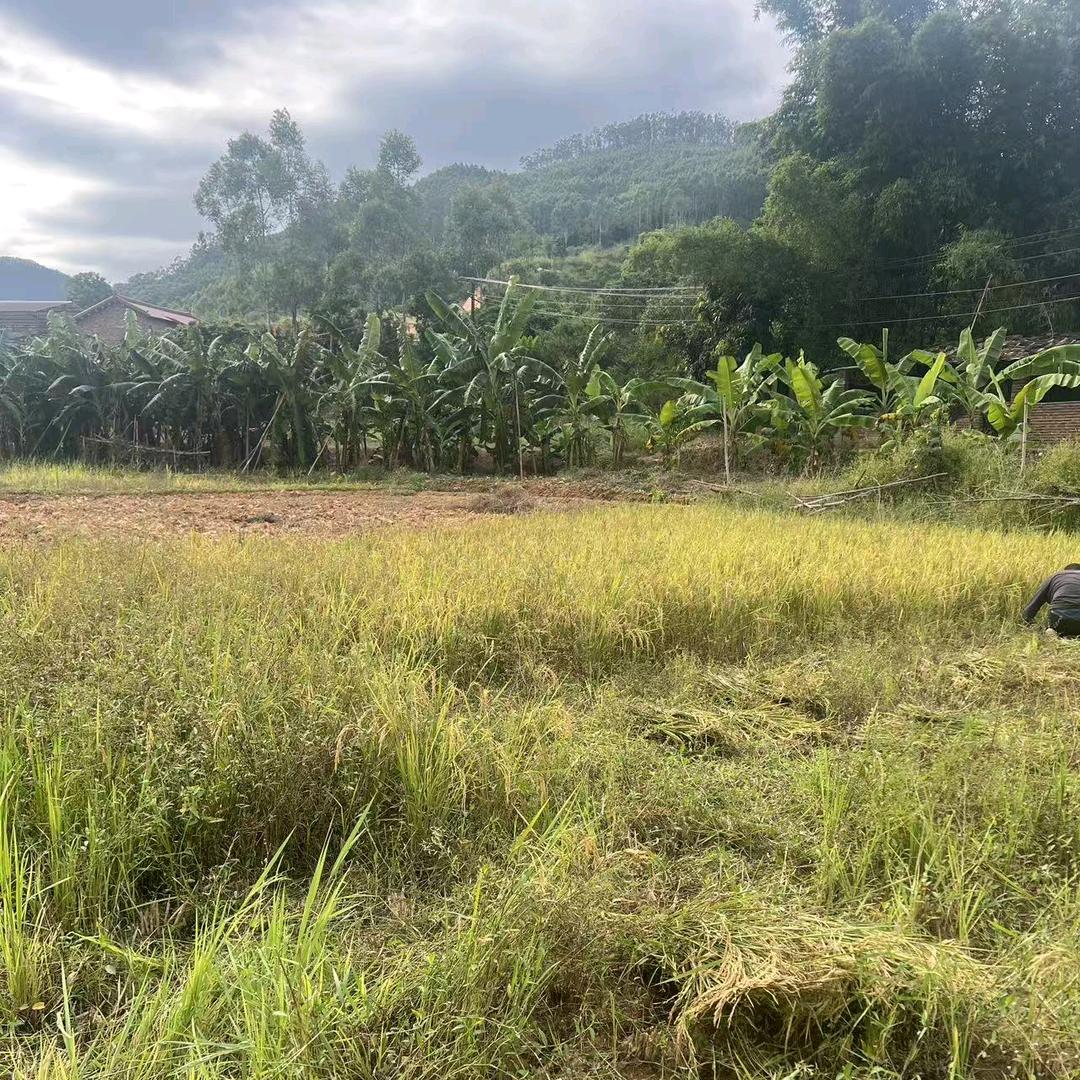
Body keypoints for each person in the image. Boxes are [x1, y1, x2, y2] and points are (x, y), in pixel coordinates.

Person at [1023, 563, 1080, 636]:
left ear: (1065, 571)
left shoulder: (1056, 576)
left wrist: (1027, 623)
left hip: (1060, 618)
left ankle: (1053, 632)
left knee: (1058, 629)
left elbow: (1033, 605)